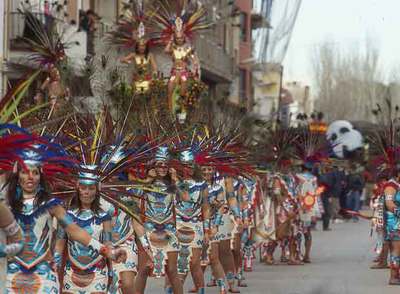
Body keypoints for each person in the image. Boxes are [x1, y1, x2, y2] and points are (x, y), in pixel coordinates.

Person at [5, 147, 126, 293]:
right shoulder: (6, 205)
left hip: (44, 276)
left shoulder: (51, 205)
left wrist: (107, 251)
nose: (30, 177)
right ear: (17, 176)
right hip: (11, 277)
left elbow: (74, 231)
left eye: (35, 173)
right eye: (25, 172)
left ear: (40, 177)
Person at [56, 165, 113, 293]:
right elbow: (59, 246)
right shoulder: (66, 216)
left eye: (91, 188)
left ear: (97, 190)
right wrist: (54, 270)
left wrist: (112, 271)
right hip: (71, 273)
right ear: (77, 188)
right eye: (83, 187)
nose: (86, 192)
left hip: (98, 272)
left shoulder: (105, 216)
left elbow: (108, 245)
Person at [134, 146, 183, 294]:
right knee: (143, 270)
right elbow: (135, 200)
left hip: (170, 231)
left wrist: (175, 179)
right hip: (148, 231)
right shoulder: (145, 183)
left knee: (173, 270)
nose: (162, 168)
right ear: (153, 165)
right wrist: (148, 180)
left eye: (165, 165)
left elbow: (186, 197)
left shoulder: (173, 184)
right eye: (159, 164)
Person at [383, 175, 400, 285]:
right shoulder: (391, 186)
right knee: (397, 249)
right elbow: (389, 204)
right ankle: (393, 277)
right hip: (394, 222)